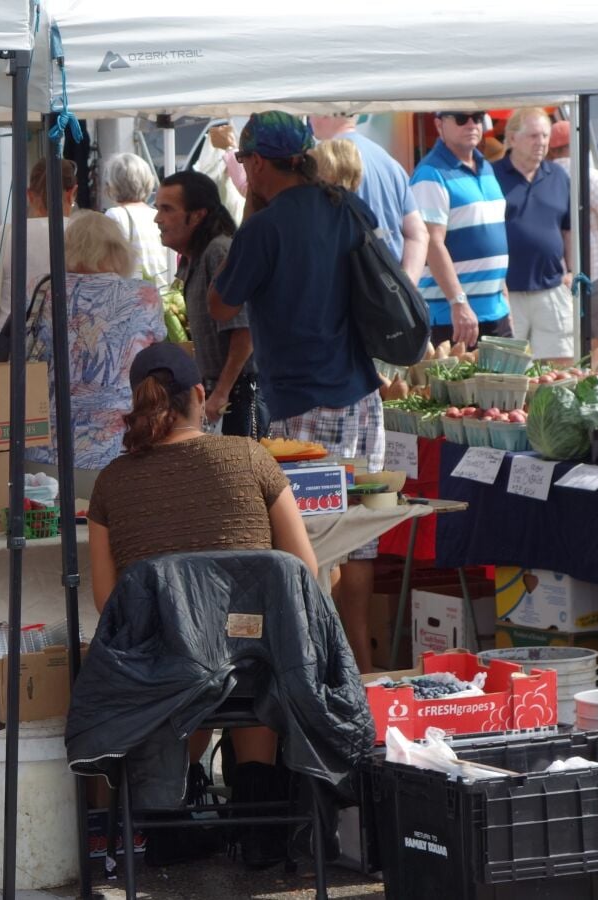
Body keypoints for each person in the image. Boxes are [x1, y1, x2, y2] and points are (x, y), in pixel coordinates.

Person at [87, 341, 317, 867]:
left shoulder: (111, 483)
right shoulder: (250, 457)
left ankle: (168, 820)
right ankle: (261, 821)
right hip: (256, 668)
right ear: (198, 394)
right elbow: (304, 570)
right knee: (252, 639)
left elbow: (109, 604)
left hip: (163, 677)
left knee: (192, 649)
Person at [208, 111, 383, 674]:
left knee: (305, 535)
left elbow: (219, 306)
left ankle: (320, 667)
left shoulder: (265, 227)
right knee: (356, 532)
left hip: (303, 400)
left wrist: (251, 216)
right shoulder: (346, 207)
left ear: (257, 162)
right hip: (361, 392)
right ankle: (358, 656)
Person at [23, 211, 165, 497]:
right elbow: (157, 355)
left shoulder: (43, 290)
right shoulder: (143, 295)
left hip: (44, 453)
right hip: (120, 450)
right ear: (119, 250)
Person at [154, 170, 265, 438]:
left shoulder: (218, 252)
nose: (158, 219)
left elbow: (245, 332)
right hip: (226, 396)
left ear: (198, 215)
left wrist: (222, 392)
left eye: (167, 209)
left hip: (239, 396)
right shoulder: (199, 257)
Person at [410, 110, 512, 348]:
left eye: (477, 117)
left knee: (505, 385)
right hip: (454, 317)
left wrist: (504, 297)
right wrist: (458, 302)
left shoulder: (486, 167)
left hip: (494, 311)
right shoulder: (430, 174)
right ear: (438, 124)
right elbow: (431, 243)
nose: (471, 124)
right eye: (460, 118)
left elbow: (492, 237)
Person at [493, 108, 575, 364]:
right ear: (512, 138)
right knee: (507, 371)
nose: (541, 142)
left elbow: (567, 229)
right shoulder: (491, 176)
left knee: (559, 370)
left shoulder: (558, 176)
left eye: (545, 136)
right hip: (506, 292)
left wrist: (572, 269)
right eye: (533, 136)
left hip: (551, 289)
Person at [309, 114, 429, 283]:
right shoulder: (390, 163)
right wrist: (407, 288)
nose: (309, 119)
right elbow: (419, 233)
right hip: (389, 292)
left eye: (312, 113)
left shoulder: (321, 163)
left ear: (326, 113)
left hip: (347, 292)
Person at [0, 158, 77, 333]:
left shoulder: (5, 235)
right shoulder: (84, 235)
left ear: (29, 195)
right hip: (71, 343)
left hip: (14, 348)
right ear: (72, 193)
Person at [548, 119, 598, 367]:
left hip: (555, 280)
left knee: (564, 345)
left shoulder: (545, 179)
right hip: (595, 275)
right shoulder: (589, 176)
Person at [101, 153, 170, 288]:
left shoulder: (115, 216)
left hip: (134, 298)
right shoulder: (157, 215)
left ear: (113, 185)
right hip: (165, 296)